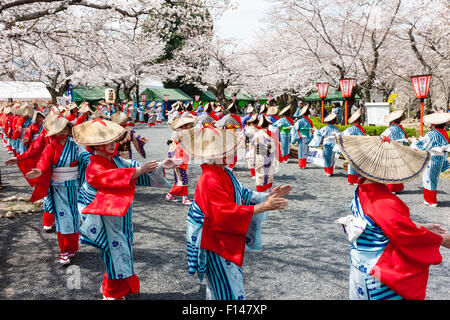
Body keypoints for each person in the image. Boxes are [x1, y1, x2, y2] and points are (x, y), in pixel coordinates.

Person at [176, 125, 291, 300]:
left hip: (224, 238)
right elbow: (222, 213)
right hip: (216, 240)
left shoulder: (225, 172)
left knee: (226, 286)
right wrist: (262, 207)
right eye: (225, 149)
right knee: (227, 289)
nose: (230, 152)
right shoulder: (208, 178)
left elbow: (244, 193)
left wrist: (268, 196)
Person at [335, 134, 450, 300]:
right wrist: (441, 239)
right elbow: (405, 236)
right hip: (378, 272)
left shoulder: (362, 189)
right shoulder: (385, 202)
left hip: (361, 263)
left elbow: (383, 224)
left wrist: (419, 226)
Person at [73, 118, 177, 300]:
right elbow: (105, 177)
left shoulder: (116, 160)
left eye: (114, 140)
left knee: (123, 249)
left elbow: (136, 168)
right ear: (96, 145)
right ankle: (111, 292)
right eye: (108, 142)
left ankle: (116, 288)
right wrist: (136, 172)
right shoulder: (94, 165)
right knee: (114, 251)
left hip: (120, 213)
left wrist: (161, 165)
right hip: (106, 215)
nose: (113, 144)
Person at [24, 116, 91, 265]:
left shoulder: (74, 146)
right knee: (62, 219)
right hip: (58, 189)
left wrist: (96, 161)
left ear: (69, 130)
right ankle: (64, 251)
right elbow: (44, 163)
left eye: (65, 129)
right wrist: (40, 172)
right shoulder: (51, 147)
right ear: (54, 131)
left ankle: (72, 247)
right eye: (59, 130)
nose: (62, 132)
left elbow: (86, 157)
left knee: (73, 218)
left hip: (73, 187)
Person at [410, 112, 450, 207]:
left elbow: (423, 145)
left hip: (431, 158)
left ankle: (431, 200)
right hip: (440, 158)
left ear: (434, 125)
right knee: (434, 178)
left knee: (428, 178)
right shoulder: (444, 133)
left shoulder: (431, 134)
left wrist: (414, 142)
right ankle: (429, 199)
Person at [166, 115, 196, 205]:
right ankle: (178, 196)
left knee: (182, 179)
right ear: (185, 125)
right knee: (183, 179)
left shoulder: (182, 133)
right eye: (189, 125)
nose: (190, 126)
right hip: (180, 159)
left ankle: (175, 196)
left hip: (181, 158)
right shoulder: (182, 134)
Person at [248, 115, 281, 192]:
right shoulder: (273, 134)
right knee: (269, 173)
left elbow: (252, 146)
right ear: (268, 124)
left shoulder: (257, 134)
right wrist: (278, 156)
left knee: (260, 173)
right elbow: (277, 145)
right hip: (270, 155)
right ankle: (269, 188)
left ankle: (260, 191)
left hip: (260, 156)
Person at [333, 108, 365, 185]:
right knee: (356, 165)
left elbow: (342, 135)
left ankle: (351, 180)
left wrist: (336, 134)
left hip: (352, 148)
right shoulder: (362, 129)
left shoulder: (351, 129)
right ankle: (354, 180)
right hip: (359, 147)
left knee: (351, 164)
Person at [380, 110, 408, 193]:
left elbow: (382, 136)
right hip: (400, 150)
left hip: (392, 150)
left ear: (392, 121)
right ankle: (398, 187)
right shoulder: (402, 129)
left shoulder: (391, 129)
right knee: (398, 169)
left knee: (391, 169)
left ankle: (391, 188)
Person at [215, 103, 243, 170]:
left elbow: (218, 125)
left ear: (229, 110)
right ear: (235, 110)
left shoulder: (226, 117)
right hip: (236, 134)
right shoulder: (238, 117)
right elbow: (240, 127)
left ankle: (229, 165)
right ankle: (232, 165)